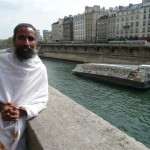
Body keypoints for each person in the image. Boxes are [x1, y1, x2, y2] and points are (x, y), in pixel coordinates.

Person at [0, 23, 49, 150]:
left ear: (35, 42)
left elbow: (42, 100)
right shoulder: (1, 62)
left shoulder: (40, 69)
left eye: (31, 39)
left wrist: (21, 111)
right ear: (14, 40)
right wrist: (2, 107)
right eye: (21, 37)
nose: (26, 43)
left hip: (17, 127)